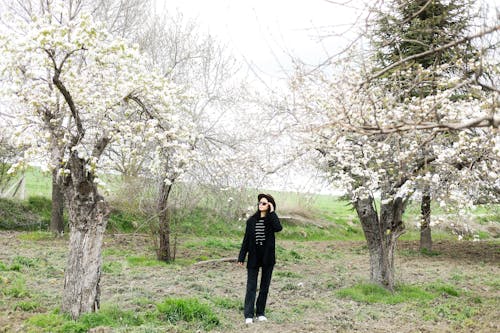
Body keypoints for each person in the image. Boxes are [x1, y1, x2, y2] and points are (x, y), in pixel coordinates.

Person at [237, 193, 283, 325]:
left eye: (264, 203)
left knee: (264, 286)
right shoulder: (251, 221)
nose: (261, 205)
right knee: (251, 286)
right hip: (253, 257)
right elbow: (246, 240)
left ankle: (261, 313)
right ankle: (249, 314)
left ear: (269, 205)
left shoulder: (271, 220)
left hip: (268, 258)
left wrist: (273, 212)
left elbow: (278, 228)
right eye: (260, 203)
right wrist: (241, 256)